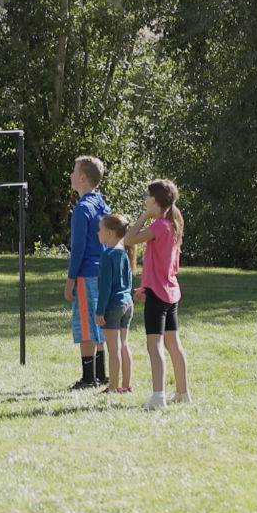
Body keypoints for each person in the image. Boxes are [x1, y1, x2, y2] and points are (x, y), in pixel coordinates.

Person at [122, 179, 190, 410]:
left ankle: (158, 396)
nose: (145, 199)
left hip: (159, 294)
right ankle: (182, 392)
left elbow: (129, 239)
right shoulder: (174, 223)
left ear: (155, 200)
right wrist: (147, 284)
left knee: (155, 345)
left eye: (147, 196)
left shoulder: (160, 225)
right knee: (173, 343)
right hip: (170, 292)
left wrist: (144, 216)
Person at [66, 155, 112, 390]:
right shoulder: (103, 204)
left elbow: (78, 249)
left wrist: (70, 279)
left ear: (83, 178)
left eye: (74, 171)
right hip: (103, 272)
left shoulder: (82, 209)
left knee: (85, 325)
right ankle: (102, 374)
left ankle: (87, 378)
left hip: (86, 274)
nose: (71, 175)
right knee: (100, 322)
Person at [95, 213, 136, 395]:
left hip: (112, 306)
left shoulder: (107, 255)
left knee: (113, 349)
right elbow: (127, 281)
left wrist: (99, 311)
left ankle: (112, 387)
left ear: (110, 233)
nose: (98, 233)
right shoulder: (124, 253)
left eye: (100, 230)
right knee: (124, 344)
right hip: (127, 303)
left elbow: (105, 288)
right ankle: (126, 386)